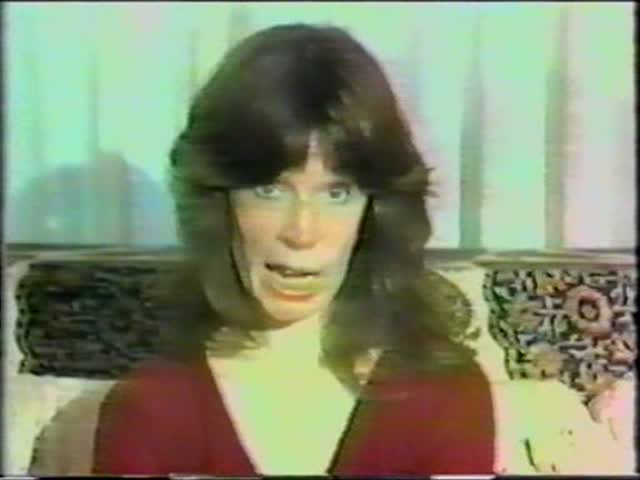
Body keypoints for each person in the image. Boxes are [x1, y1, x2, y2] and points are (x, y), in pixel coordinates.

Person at [91, 23, 494, 476]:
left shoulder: (445, 397)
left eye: (337, 193)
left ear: (375, 211)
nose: (302, 231)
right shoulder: (150, 408)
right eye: (270, 190)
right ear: (219, 202)